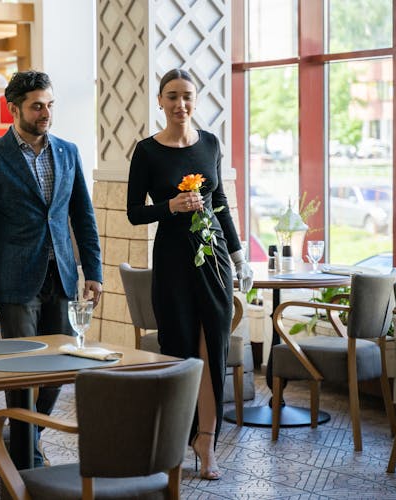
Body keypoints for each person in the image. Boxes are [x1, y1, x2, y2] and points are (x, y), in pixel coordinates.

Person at [0, 70, 103, 467]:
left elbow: (84, 217)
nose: (45, 113)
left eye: (49, 105)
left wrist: (92, 270)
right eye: (36, 106)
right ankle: (26, 454)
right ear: (14, 109)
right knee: (22, 369)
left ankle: (29, 435)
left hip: (60, 276)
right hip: (15, 282)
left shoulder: (68, 152)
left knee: (61, 366)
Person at [126, 68, 253, 480]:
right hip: (173, 261)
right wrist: (170, 207)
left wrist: (238, 257)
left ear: (195, 100)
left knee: (211, 348)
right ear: (160, 101)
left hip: (212, 258)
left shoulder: (211, 144)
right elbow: (133, 213)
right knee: (179, 349)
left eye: (187, 96)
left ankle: (207, 442)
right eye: (172, 96)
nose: (181, 104)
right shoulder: (146, 152)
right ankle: (175, 440)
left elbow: (220, 206)